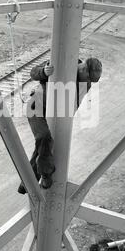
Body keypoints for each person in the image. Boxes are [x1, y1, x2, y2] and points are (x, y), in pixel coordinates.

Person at [18, 57, 102, 194]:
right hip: (36, 106)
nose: (88, 82)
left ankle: (26, 183)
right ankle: (46, 174)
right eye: (88, 77)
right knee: (43, 137)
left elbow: (76, 102)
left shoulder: (86, 83)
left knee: (42, 146)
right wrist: (44, 72)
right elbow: (33, 73)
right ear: (83, 68)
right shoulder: (62, 61)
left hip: (56, 113)